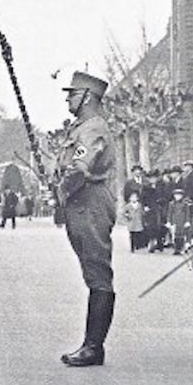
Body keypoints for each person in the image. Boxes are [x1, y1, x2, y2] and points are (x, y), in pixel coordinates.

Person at [54, 70, 116, 368]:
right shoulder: (82, 128)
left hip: (89, 202)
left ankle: (94, 347)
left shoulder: (92, 129)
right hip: (80, 202)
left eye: (72, 93)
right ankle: (91, 344)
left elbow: (79, 169)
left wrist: (61, 191)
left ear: (87, 97)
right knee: (92, 272)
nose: (67, 98)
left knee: (97, 273)